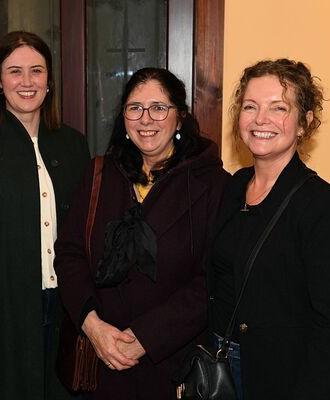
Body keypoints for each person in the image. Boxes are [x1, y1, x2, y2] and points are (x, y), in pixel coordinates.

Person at [54, 67, 230, 399]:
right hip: (104, 359)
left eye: (159, 108)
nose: (145, 119)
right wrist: (92, 326)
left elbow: (212, 280)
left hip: (173, 365)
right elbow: (69, 254)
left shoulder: (213, 185)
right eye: (135, 108)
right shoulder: (98, 175)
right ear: (123, 118)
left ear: (179, 119)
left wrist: (145, 338)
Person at [0, 31, 90, 400]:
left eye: (36, 71)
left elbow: (86, 235)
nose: (26, 82)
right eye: (14, 71)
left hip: (64, 310)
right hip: (2, 314)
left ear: (50, 81)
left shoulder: (74, 144)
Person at [208, 59, 330, 399]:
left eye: (278, 108)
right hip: (220, 368)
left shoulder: (326, 206)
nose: (261, 119)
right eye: (250, 107)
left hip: (286, 377)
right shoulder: (234, 186)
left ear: (304, 123)